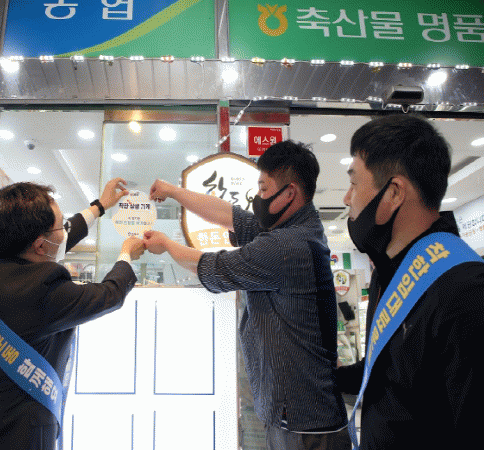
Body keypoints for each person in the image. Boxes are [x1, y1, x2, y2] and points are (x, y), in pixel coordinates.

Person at [144, 141, 351, 450]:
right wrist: (173, 191)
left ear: (290, 193)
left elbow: (214, 268)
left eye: (264, 188)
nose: (258, 197)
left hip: (305, 426)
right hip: (300, 416)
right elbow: (230, 215)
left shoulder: (285, 246)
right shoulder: (298, 228)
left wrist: (166, 245)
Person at [0, 178, 145, 449]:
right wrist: (126, 255)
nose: (65, 231)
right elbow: (109, 295)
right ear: (40, 245)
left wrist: (100, 206)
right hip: (14, 436)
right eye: (61, 225)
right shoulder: (42, 291)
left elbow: (58, 240)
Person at [336, 114, 484, 450]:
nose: (346, 198)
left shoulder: (465, 291)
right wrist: (329, 376)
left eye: (354, 183)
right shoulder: (387, 275)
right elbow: (383, 376)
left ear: (393, 193)